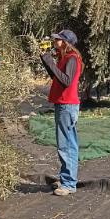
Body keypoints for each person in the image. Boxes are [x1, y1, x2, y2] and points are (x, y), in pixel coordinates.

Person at [40, 29, 82, 197]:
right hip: (63, 104)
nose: (55, 41)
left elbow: (66, 81)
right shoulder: (64, 58)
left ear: (66, 42)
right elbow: (56, 77)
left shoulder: (72, 58)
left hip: (67, 106)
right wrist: (46, 60)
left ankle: (69, 183)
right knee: (66, 143)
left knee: (67, 145)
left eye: (58, 39)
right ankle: (66, 178)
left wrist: (50, 61)